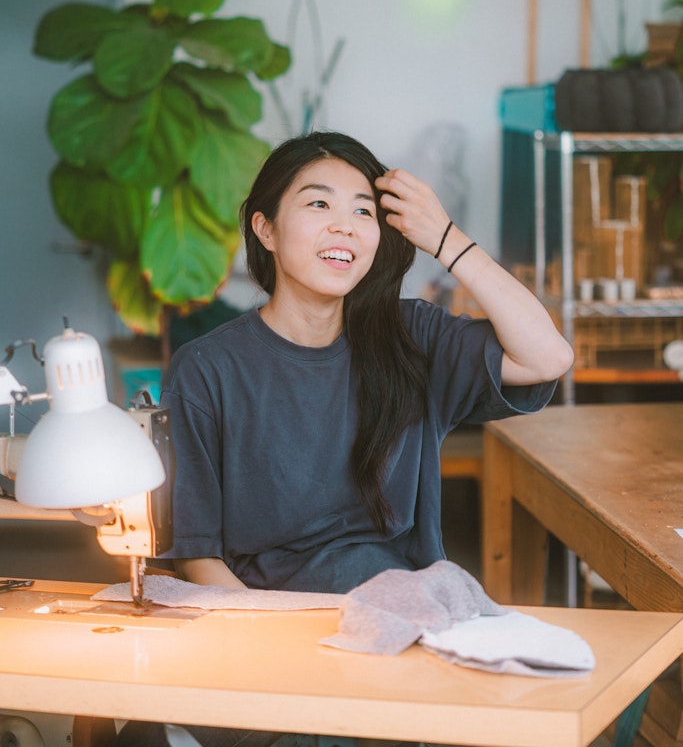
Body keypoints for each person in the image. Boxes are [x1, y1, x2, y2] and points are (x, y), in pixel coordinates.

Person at [116, 130, 573, 747]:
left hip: (401, 630)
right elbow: (199, 558)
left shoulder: (409, 339)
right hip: (268, 643)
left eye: (363, 211)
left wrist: (446, 239)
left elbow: (547, 357)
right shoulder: (207, 368)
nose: (345, 226)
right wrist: (299, 663)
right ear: (266, 229)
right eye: (318, 203)